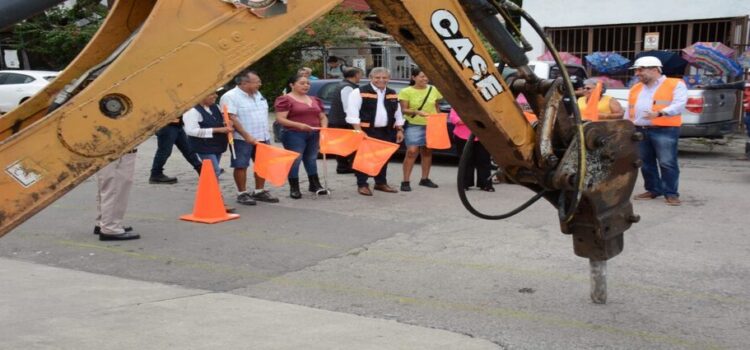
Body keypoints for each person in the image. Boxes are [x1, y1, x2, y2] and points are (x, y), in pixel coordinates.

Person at [625, 56, 687, 206]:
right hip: (640, 129)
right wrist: (626, 125)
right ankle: (653, 189)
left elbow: (679, 105)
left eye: (640, 70)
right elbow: (629, 109)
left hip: (664, 129)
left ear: (654, 70)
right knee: (646, 163)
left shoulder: (675, 84)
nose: (637, 74)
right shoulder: (636, 88)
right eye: (636, 71)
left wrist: (660, 113)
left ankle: (671, 193)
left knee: (667, 162)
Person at [220, 70, 279, 205]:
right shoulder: (230, 96)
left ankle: (259, 191)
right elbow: (231, 117)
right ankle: (242, 193)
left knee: (262, 164)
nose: (260, 84)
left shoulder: (257, 94)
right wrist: (246, 135)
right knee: (241, 165)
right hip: (242, 139)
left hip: (262, 136)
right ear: (244, 83)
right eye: (257, 82)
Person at [345, 67, 405, 196]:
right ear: (371, 78)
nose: (381, 80)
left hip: (387, 130)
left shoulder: (392, 93)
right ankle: (362, 184)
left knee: (383, 157)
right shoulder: (359, 92)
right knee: (363, 158)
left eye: (384, 77)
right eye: (377, 78)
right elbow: (352, 113)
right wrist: (359, 131)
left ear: (388, 79)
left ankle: (380, 183)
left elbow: (398, 113)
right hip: (366, 130)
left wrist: (400, 129)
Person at [275, 74, 329, 199]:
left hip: (314, 132)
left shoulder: (314, 99)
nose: (306, 85)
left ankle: (314, 184)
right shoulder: (285, 99)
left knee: (311, 158)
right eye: (302, 83)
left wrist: (324, 128)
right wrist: (300, 126)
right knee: (295, 160)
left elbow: (322, 116)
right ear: (292, 85)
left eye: (308, 83)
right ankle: (294, 187)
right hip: (294, 133)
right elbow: (280, 119)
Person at [398, 68, 443, 192]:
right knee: (412, 151)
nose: (425, 79)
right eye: (422, 76)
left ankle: (424, 179)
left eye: (426, 77)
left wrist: (439, 122)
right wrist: (416, 112)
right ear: (414, 78)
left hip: (432, 124)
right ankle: (405, 181)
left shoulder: (433, 89)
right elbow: (403, 109)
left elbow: (436, 106)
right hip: (414, 124)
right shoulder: (405, 91)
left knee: (427, 151)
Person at [183, 91, 233, 179]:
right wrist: (219, 130)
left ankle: (212, 191)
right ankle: (210, 191)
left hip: (218, 145)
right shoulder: (192, 111)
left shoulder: (216, 107)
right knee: (214, 171)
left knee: (211, 171)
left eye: (215, 93)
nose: (216, 96)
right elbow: (191, 131)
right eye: (212, 94)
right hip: (203, 146)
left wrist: (227, 123)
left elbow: (220, 121)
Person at [94, 150, 140, 241]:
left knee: (107, 184)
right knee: (116, 185)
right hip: (118, 149)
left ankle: (104, 222)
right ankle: (110, 228)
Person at [328, 67, 364, 174]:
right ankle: (344, 167)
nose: (361, 77)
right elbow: (348, 107)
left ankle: (344, 166)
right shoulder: (347, 87)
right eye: (361, 74)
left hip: (340, 120)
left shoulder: (344, 85)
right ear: (356, 75)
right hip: (342, 121)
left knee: (344, 144)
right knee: (346, 145)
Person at [449, 108, 494, 192]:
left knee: (484, 160)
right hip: (462, 136)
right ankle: (465, 184)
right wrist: (474, 120)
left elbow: (489, 119)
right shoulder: (458, 104)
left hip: (482, 136)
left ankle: (486, 184)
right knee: (466, 161)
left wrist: (467, 120)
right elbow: (454, 119)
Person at [148, 118, 202, 184]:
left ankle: (201, 169)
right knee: (164, 151)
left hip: (178, 125)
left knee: (188, 149)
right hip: (166, 125)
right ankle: (156, 174)